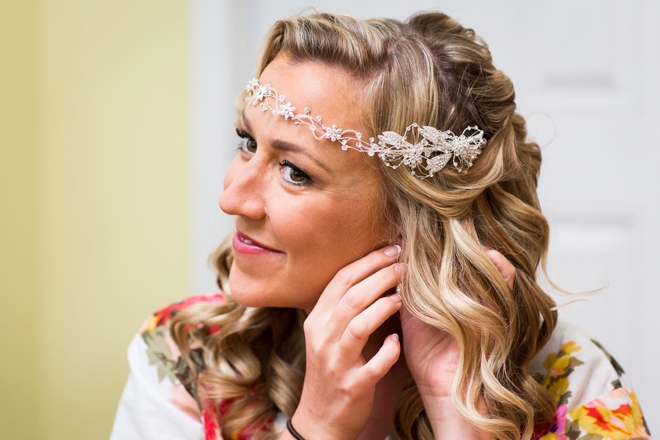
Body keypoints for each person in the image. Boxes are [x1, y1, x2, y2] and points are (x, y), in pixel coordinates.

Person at [110, 11, 650, 440]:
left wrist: (457, 413)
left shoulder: (571, 383)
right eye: (247, 142)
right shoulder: (189, 355)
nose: (232, 198)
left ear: (410, 220)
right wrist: (316, 429)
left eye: (294, 172)